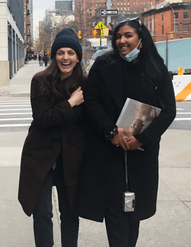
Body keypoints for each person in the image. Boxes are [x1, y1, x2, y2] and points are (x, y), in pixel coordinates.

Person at [76, 18, 176, 246]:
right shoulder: (103, 65)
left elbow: (169, 110)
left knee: (134, 212)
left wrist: (142, 139)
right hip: (109, 151)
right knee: (115, 211)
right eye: (118, 36)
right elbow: (92, 101)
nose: (122, 41)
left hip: (141, 153)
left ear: (140, 38)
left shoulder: (156, 68)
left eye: (128, 35)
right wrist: (111, 132)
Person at [18, 28, 86, 247]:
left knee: (70, 212)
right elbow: (42, 119)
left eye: (70, 53)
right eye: (60, 52)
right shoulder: (40, 80)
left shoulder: (86, 84)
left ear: (77, 57)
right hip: (41, 154)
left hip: (72, 155)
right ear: (53, 55)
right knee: (42, 213)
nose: (65, 57)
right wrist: (70, 103)